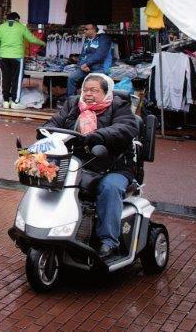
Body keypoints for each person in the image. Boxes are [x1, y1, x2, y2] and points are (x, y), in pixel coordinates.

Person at [43, 73, 139, 259]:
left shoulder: (119, 106)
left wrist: (98, 135)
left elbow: (126, 128)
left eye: (94, 90)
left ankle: (109, 241)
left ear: (106, 92)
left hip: (113, 166)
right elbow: (53, 123)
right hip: (79, 164)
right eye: (85, 90)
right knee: (51, 180)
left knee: (109, 188)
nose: (88, 94)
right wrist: (45, 132)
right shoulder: (73, 104)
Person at [0, 12, 45, 110]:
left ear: (7, 19)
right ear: (16, 19)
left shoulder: (1, 27)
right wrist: (43, 43)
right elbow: (32, 39)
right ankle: (15, 101)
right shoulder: (21, 27)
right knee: (17, 79)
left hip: (3, 56)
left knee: (5, 79)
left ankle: (6, 101)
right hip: (17, 57)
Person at [68, 24, 114, 96]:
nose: (84, 31)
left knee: (93, 84)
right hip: (85, 68)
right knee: (72, 78)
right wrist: (81, 66)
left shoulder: (104, 39)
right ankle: (71, 102)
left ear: (93, 30)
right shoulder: (87, 40)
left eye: (86, 29)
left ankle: (93, 103)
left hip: (99, 67)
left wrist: (86, 64)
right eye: (84, 29)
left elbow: (100, 55)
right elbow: (82, 55)